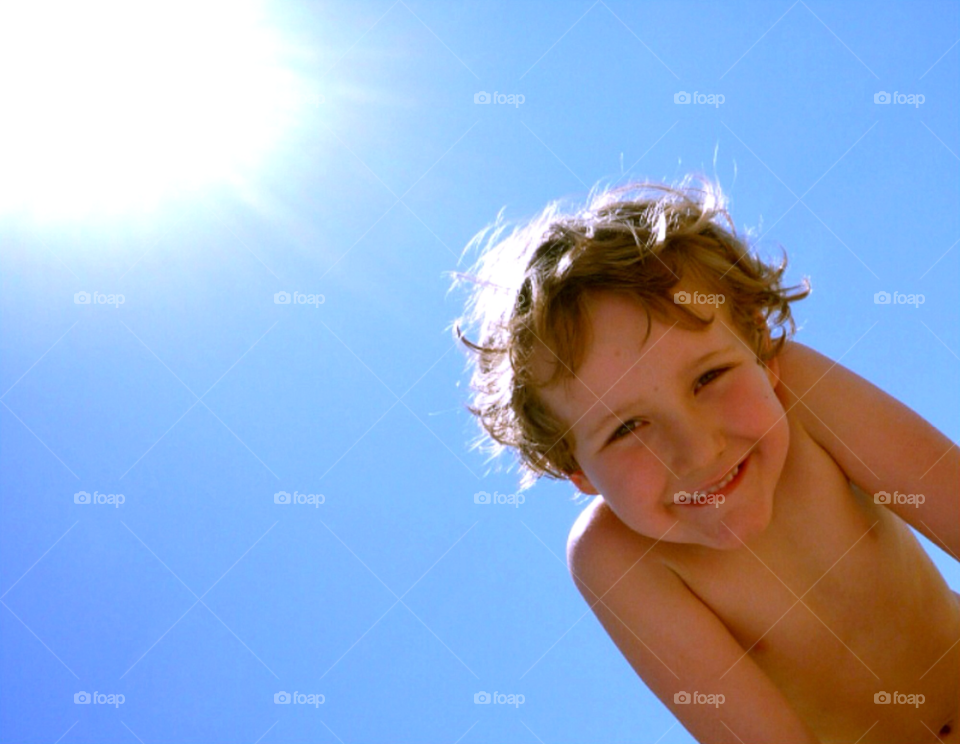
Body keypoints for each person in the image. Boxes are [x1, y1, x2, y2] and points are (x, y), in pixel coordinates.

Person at [452, 175, 959, 743]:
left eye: (709, 377)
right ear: (578, 471)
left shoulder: (802, 399)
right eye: (626, 428)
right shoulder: (615, 557)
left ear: (763, 354)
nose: (697, 450)